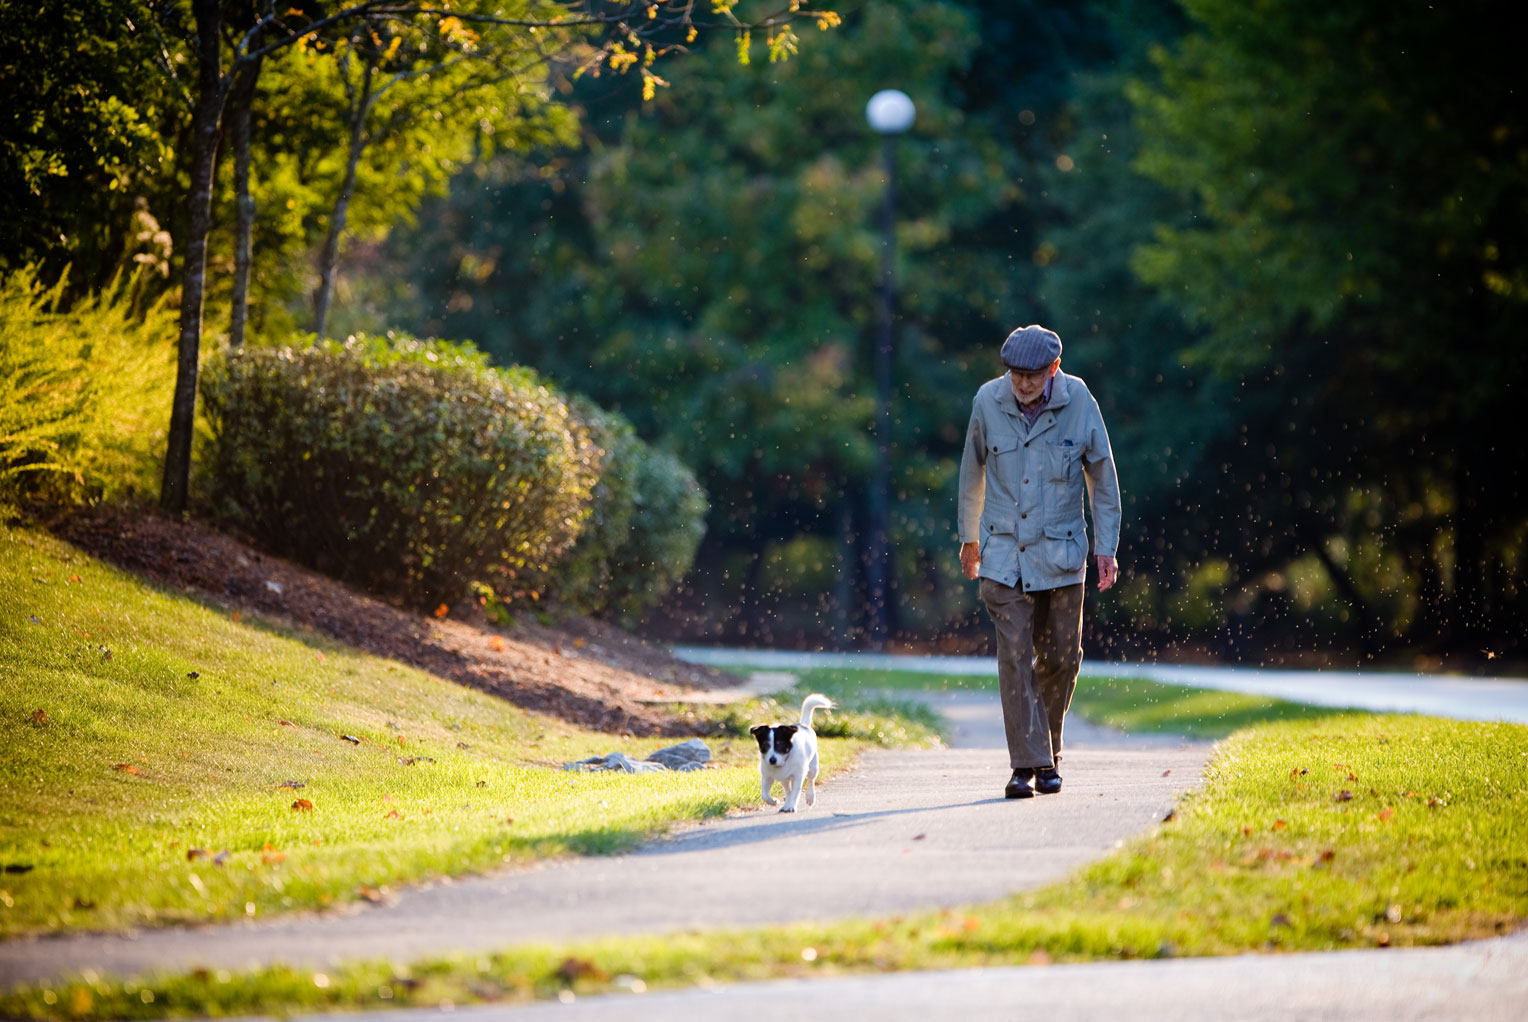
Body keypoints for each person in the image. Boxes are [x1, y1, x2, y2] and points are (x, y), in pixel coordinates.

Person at [957, 324, 1121, 799]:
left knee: (1062, 659)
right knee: (1014, 656)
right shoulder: (988, 401)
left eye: (1032, 375)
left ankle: (1049, 750)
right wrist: (969, 539)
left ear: (1054, 368)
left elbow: (1103, 478)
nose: (1022, 384)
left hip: (1063, 555)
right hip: (1003, 554)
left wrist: (1106, 547)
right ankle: (1026, 766)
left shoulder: (1080, 402)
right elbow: (972, 472)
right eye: (1015, 374)